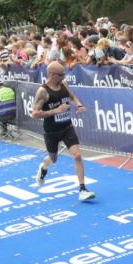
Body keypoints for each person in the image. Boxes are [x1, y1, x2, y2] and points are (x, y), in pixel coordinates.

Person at [30, 61, 95, 201]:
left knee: (77, 155)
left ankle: (83, 189)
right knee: (53, 159)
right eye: (61, 74)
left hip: (67, 127)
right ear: (52, 75)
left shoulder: (64, 84)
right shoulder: (43, 91)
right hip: (51, 131)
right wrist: (55, 111)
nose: (64, 76)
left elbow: (72, 97)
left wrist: (79, 105)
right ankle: (43, 168)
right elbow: (34, 114)